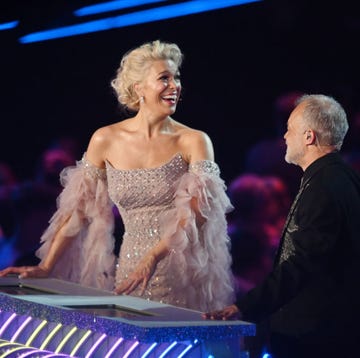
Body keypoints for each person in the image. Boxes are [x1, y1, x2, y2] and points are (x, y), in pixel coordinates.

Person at [0, 40, 234, 312]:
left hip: (180, 272)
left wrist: (153, 256)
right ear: (139, 88)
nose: (175, 86)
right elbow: (79, 209)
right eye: (164, 78)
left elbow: (197, 213)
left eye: (177, 78)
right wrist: (46, 265)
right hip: (131, 270)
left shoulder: (194, 140)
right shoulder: (105, 139)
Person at [204, 94, 360, 358]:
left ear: (309, 137)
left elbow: (300, 264)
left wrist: (244, 307)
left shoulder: (324, 186)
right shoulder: (339, 177)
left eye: (290, 129)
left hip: (313, 336)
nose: (285, 137)